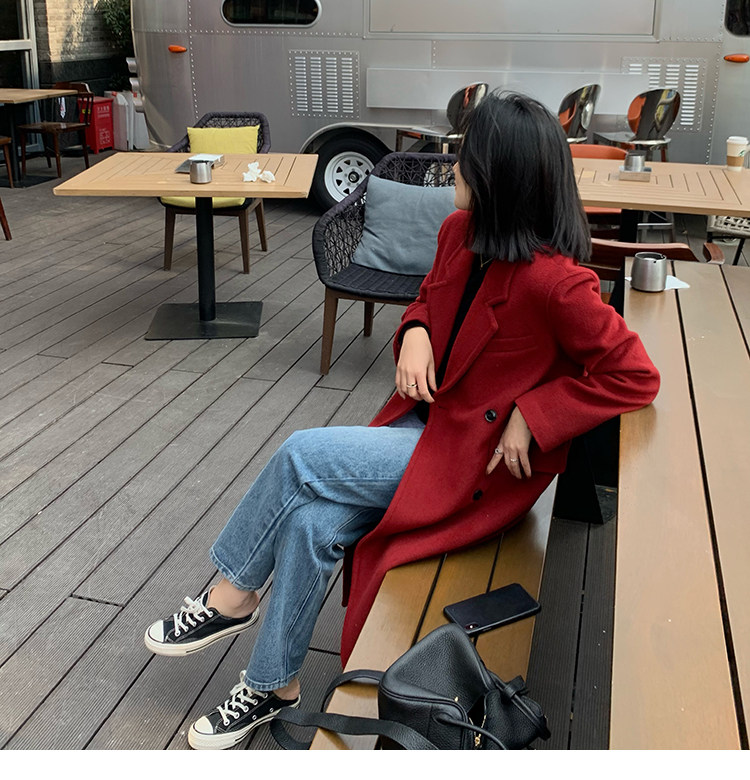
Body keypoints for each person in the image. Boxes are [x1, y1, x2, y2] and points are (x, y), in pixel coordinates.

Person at [144, 91, 660, 750]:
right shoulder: (458, 235)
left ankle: (231, 594)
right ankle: (274, 684)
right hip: (422, 432)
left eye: (466, 159)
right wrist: (414, 332)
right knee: (308, 521)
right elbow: (425, 302)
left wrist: (536, 414)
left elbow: (634, 374)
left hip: (472, 464)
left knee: (300, 456)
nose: (455, 168)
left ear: (498, 177)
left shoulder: (556, 282)